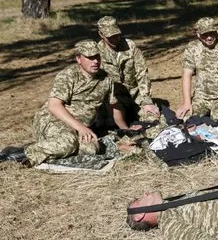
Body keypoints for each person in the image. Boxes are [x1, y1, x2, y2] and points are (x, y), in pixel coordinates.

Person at [0, 41, 129, 166]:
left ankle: (47, 149)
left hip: (78, 127)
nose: (95, 61)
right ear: (79, 59)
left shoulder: (106, 79)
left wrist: (126, 131)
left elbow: (114, 107)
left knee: (91, 149)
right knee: (67, 143)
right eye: (90, 57)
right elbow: (54, 106)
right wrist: (82, 128)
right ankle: (15, 155)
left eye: (97, 57)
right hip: (53, 119)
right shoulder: (69, 75)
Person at [96, 16, 160, 125]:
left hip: (135, 96)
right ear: (101, 34)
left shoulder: (130, 46)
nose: (114, 39)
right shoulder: (96, 53)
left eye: (116, 35)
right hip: (113, 101)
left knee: (153, 121)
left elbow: (142, 73)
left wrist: (146, 101)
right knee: (113, 127)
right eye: (110, 36)